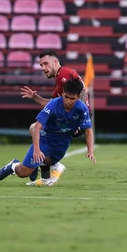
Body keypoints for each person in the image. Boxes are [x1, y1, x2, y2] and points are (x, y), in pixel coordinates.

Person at [0, 78, 95, 183]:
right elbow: (38, 126)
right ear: (62, 93)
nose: (68, 101)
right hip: (45, 140)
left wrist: (90, 150)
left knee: (49, 162)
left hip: (63, 143)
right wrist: (37, 149)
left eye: (72, 98)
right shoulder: (53, 104)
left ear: (78, 96)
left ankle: (37, 167)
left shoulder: (82, 108)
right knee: (24, 173)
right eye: (66, 97)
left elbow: (88, 130)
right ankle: (13, 165)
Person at [20, 50, 90, 186]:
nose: (43, 68)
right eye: (41, 65)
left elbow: (80, 92)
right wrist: (35, 97)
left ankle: (51, 165)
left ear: (56, 62)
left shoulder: (64, 75)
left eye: (46, 64)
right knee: (37, 130)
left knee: (35, 128)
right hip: (73, 119)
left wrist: (77, 121)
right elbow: (52, 105)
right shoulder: (60, 79)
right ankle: (45, 174)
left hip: (75, 121)